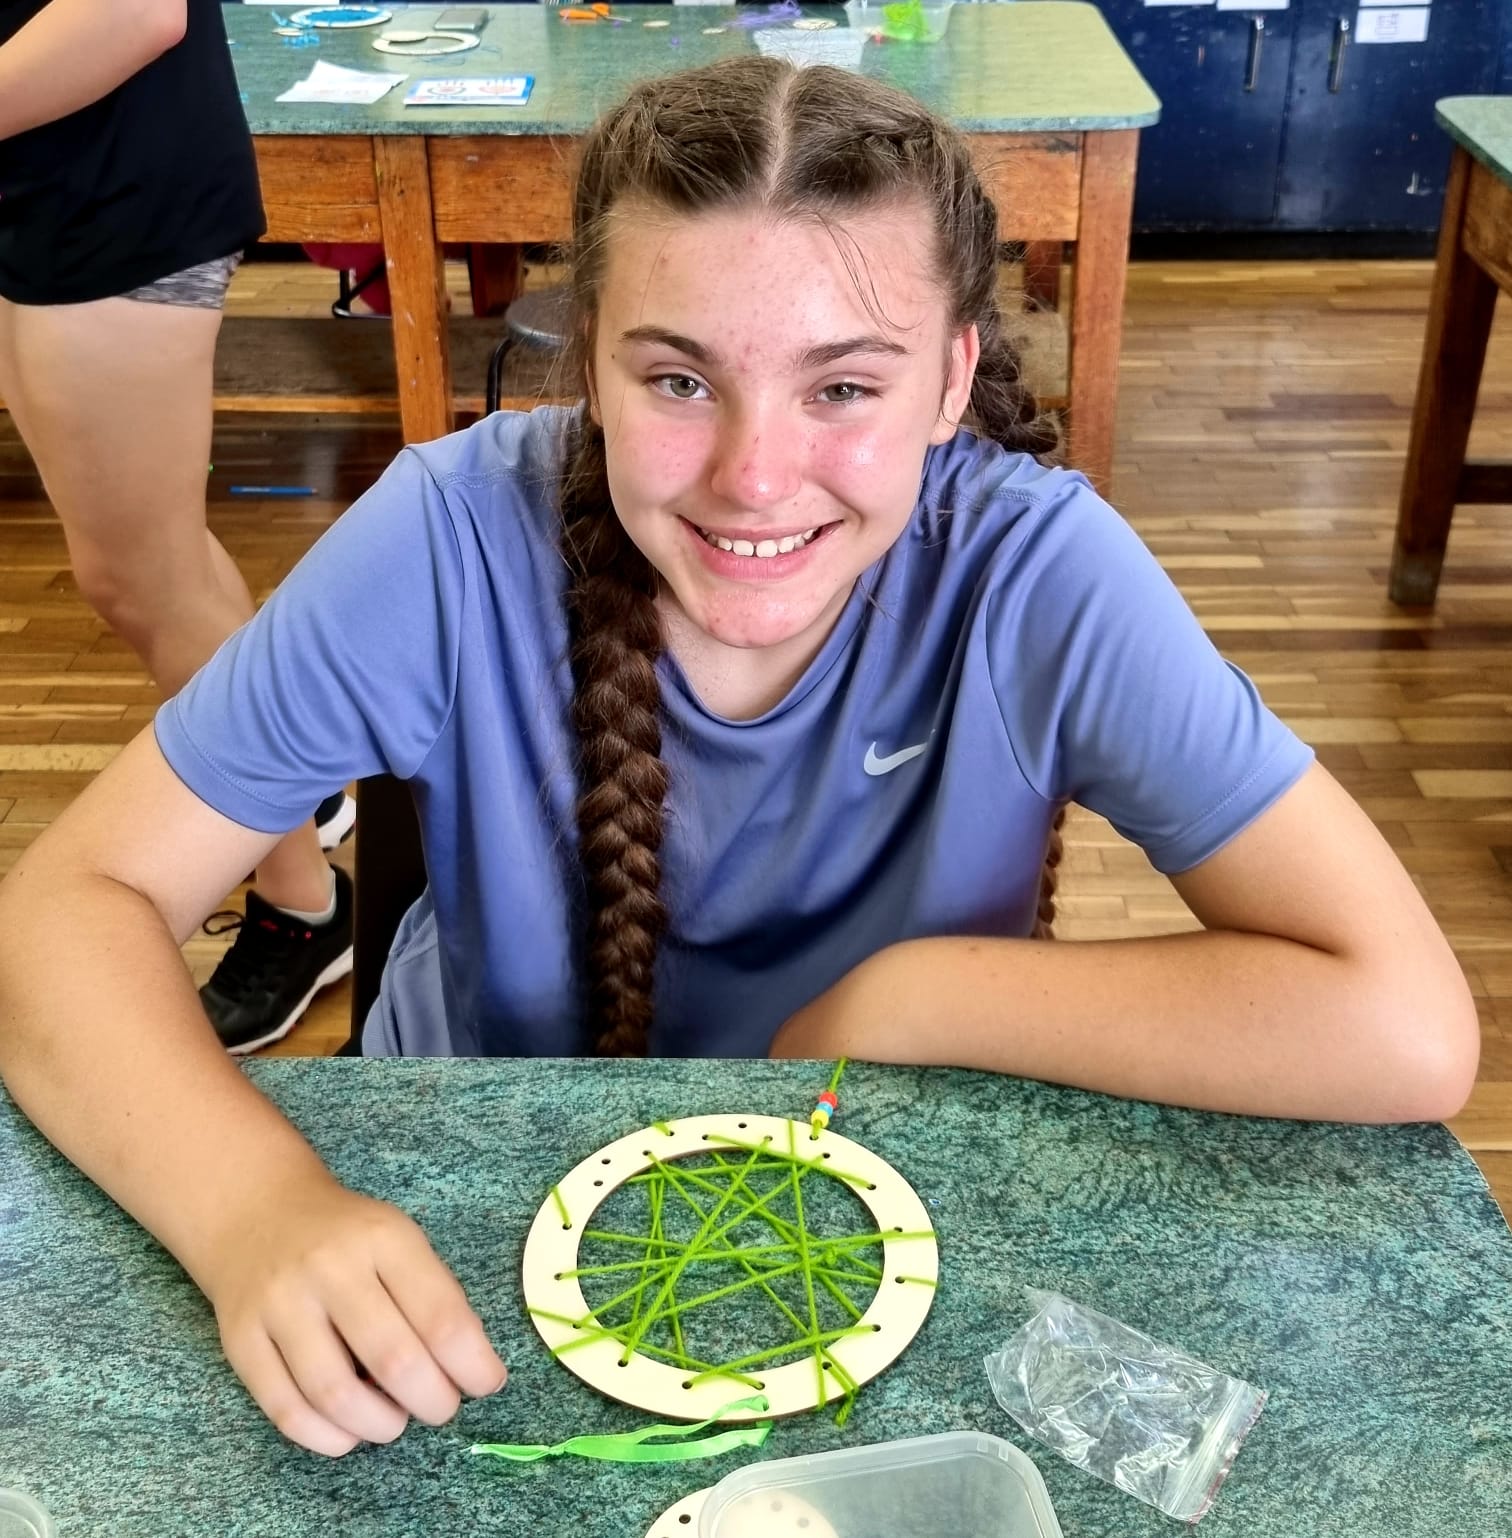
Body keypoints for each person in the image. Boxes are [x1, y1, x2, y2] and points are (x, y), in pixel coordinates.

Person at [0, 57, 1477, 1457]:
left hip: (871, 1192)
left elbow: (1404, 1025)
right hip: (465, 1212)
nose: (755, 477)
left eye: (845, 386)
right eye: (680, 380)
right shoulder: (446, 534)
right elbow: (62, 915)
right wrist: (253, 1202)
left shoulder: (1040, 571)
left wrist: (908, 991)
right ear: (592, 362)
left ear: (954, 382)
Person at [0, 0, 355, 1053]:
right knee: (149, 570)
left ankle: (304, 900)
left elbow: (134, 11)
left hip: (114, 188)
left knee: (143, 577)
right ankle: (296, 785)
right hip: (46, 178)